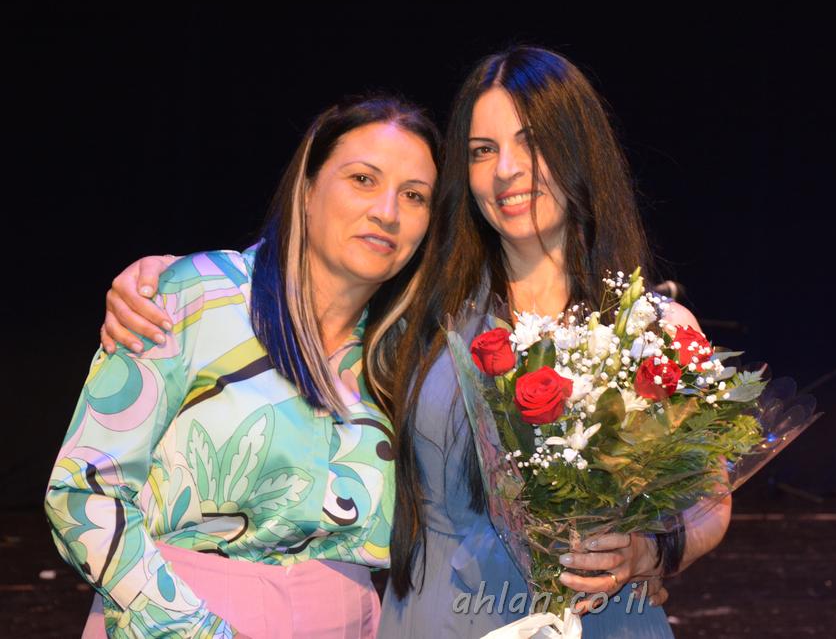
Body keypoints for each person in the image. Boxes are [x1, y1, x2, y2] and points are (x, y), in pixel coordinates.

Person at [100, 47, 732, 638]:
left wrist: (653, 552)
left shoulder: (654, 331)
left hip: (602, 619)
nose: (506, 170)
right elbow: (307, 292)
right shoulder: (419, 317)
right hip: (442, 617)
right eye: (482, 151)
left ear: (581, 147)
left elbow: (710, 503)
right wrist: (160, 278)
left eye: (531, 141)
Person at [44, 96, 440, 638]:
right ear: (308, 188)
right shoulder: (196, 295)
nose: (387, 211)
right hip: (175, 620)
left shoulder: (406, 354)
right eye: (363, 179)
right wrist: (193, 629)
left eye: (414, 195)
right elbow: (82, 491)